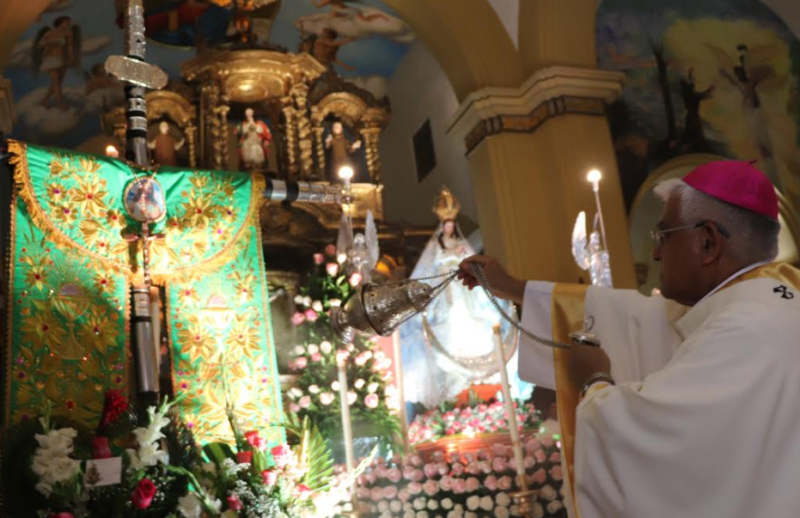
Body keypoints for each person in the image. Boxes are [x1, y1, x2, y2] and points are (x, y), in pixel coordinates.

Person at [458, 160, 800, 518]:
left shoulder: (741, 329)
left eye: (664, 236)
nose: (655, 253)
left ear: (708, 242)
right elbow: (641, 316)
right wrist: (514, 289)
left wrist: (594, 381)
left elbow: (653, 448)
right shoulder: (770, 303)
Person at [400, 187, 524, 409]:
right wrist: (449, 257)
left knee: (474, 320)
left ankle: (480, 376)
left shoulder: (460, 244)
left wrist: (462, 258)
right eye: (446, 226)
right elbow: (437, 262)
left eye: (450, 226)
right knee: (450, 324)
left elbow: (471, 259)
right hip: (447, 290)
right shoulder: (439, 247)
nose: (449, 228)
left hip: (464, 288)